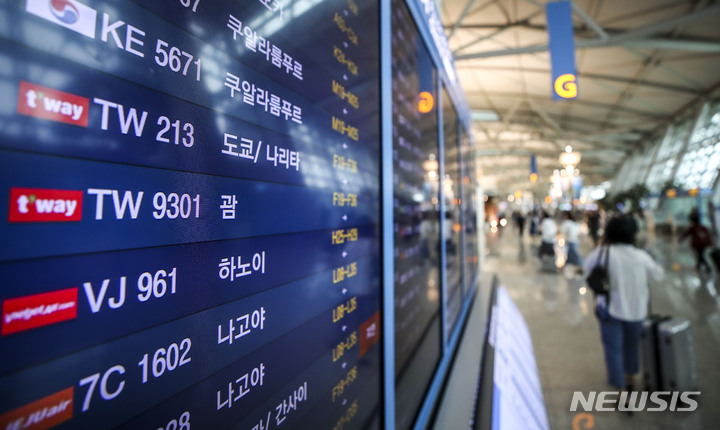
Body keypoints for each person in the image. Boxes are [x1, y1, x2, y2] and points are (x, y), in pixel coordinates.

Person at [583, 216, 664, 392]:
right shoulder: (641, 256)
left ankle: (621, 391)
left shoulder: (603, 253)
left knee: (613, 350)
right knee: (631, 346)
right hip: (637, 310)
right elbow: (658, 276)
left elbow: (586, 269)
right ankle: (630, 378)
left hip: (609, 310)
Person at [679, 209, 714, 274]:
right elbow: (708, 236)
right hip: (704, 244)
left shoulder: (692, 228)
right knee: (700, 255)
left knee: (700, 256)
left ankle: (707, 267)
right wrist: (710, 243)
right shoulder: (703, 227)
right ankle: (698, 266)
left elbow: (686, 234)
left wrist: (680, 239)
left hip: (697, 245)